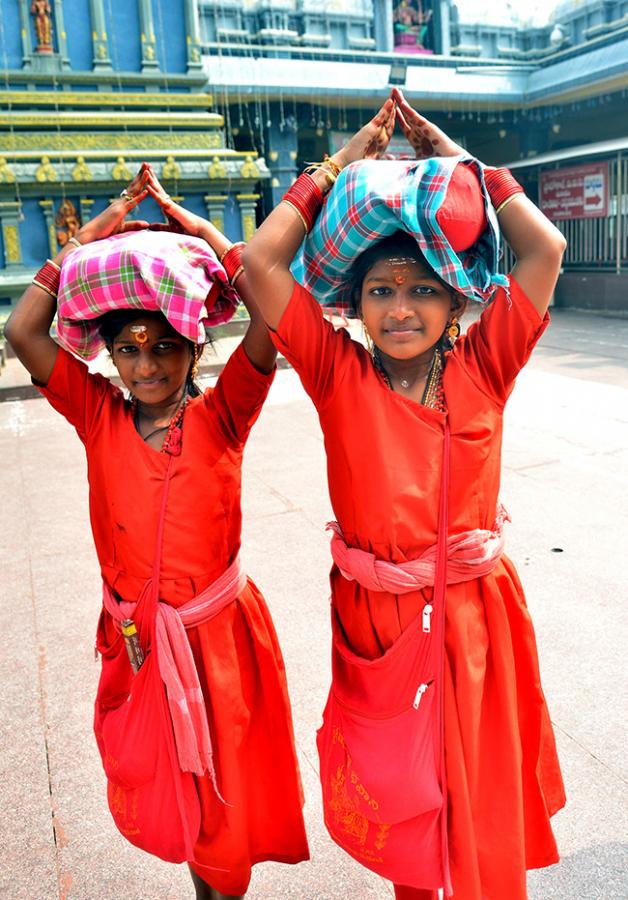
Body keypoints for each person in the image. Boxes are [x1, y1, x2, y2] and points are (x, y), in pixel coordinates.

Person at [241, 91, 567, 899]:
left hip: (476, 615)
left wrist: (460, 161)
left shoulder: (485, 366)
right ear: (352, 305)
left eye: (422, 289)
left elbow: (545, 248)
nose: (400, 309)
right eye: (380, 291)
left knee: (476, 805)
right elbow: (260, 266)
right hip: (377, 619)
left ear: (458, 301)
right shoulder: (334, 371)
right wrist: (339, 164)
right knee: (405, 806)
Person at [4, 166, 309, 899]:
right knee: (167, 779)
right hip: (139, 640)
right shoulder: (97, 415)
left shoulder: (225, 414)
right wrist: (96, 230)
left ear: (195, 349)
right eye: (130, 349)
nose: (147, 365)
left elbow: (271, 321)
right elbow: (22, 329)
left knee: (223, 800)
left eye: (166, 347)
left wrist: (204, 233)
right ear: (109, 355)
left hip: (219, 642)